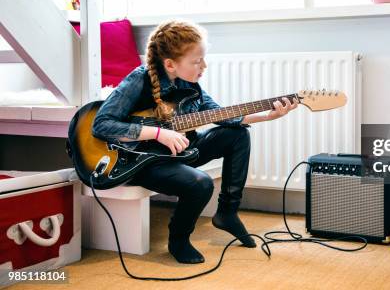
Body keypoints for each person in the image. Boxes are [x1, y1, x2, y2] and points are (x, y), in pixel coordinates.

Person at [92, 20, 298, 264]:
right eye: (197, 61)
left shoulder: (190, 85)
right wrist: (157, 133)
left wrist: (268, 115)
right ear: (170, 64)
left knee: (237, 135)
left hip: (181, 151)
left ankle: (227, 212)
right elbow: (101, 124)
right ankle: (178, 239)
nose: (204, 66)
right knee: (201, 184)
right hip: (143, 162)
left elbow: (221, 115)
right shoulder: (139, 80)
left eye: (203, 59)